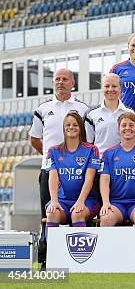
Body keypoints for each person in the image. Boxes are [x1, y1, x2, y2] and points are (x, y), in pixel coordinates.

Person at [29, 68, 89, 269]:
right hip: (50, 170)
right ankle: (47, 259)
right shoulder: (43, 108)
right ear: (53, 83)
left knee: (77, 212)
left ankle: (78, 258)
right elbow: (35, 139)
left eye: (65, 79)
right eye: (57, 80)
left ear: (73, 83)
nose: (60, 83)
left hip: (78, 170)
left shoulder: (83, 109)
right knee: (48, 213)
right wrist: (52, 158)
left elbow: (89, 138)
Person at [45, 112, 100, 235]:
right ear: (63, 128)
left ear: (80, 128)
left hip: (86, 200)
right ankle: (52, 252)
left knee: (77, 214)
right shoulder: (53, 151)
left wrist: (80, 201)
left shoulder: (92, 149)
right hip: (62, 200)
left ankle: (81, 253)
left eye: (75, 125)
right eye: (68, 125)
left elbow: (89, 178)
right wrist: (54, 201)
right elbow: (53, 177)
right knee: (52, 213)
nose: (71, 127)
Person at [99, 112, 135, 226]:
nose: (127, 128)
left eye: (131, 125)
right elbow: (104, 180)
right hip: (116, 203)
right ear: (118, 128)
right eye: (124, 125)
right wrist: (105, 203)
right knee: (106, 219)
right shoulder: (109, 153)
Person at [85, 73, 135, 154]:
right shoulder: (91, 114)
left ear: (120, 88)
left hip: (123, 161)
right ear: (102, 88)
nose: (110, 89)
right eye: (107, 86)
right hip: (101, 162)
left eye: (114, 86)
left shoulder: (130, 112)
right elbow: (88, 143)